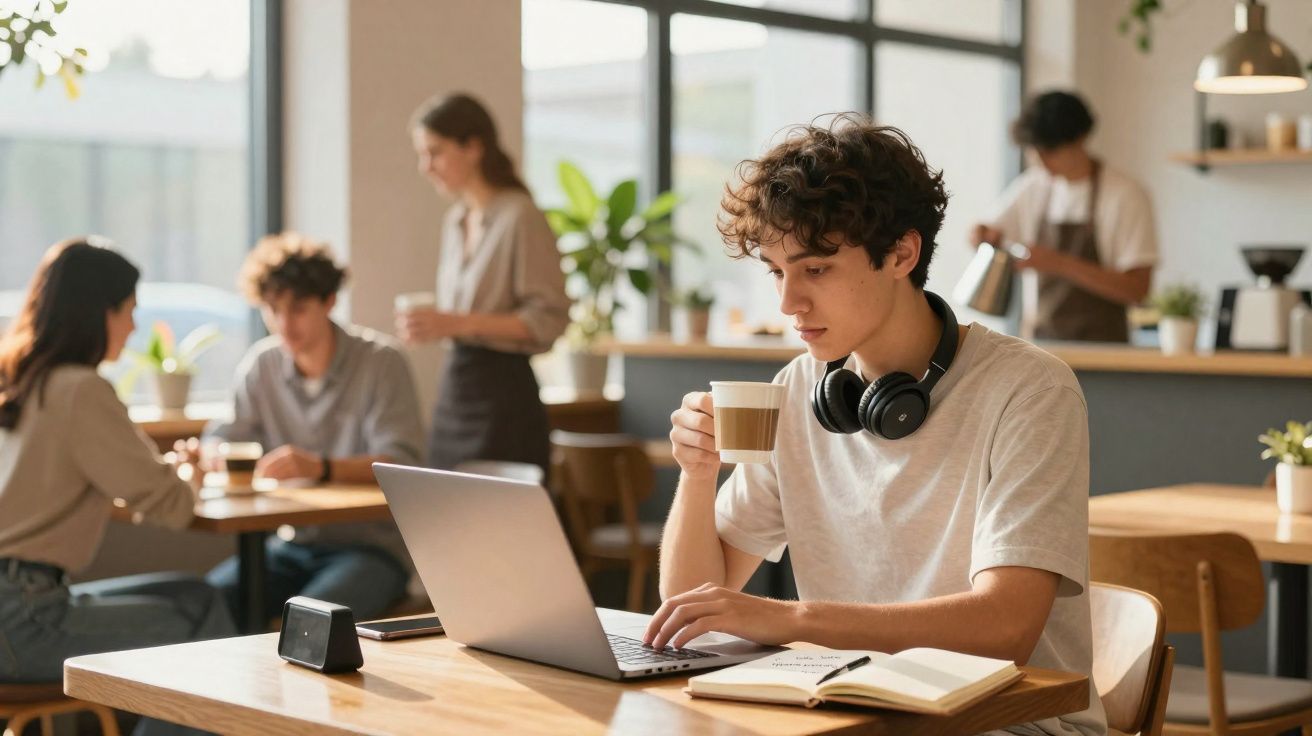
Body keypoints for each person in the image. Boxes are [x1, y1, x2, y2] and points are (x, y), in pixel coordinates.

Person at [645, 117, 1106, 735]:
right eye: (776, 272)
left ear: (901, 254)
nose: (788, 304)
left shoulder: (1030, 390)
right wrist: (699, 474)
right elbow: (690, 610)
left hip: (1006, 724)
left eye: (816, 270)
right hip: (851, 716)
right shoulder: (797, 389)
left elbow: (1006, 628)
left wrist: (793, 621)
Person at [0, 238, 234, 736]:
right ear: (98, 312)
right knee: (201, 622)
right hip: (21, 617)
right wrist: (190, 469)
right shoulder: (81, 389)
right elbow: (170, 505)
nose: (132, 326)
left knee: (201, 597)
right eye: (128, 310)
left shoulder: (19, 381)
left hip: (20, 603)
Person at [203, 233, 424, 623]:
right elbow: (222, 436)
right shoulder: (263, 365)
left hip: (371, 549)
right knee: (208, 604)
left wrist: (320, 467)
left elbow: (400, 464)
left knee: (310, 622)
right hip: (289, 544)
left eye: (298, 308)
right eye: (273, 309)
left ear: (329, 302)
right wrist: (211, 455)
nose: (284, 324)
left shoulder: (381, 362)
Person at [402, 92, 570, 474]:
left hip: (505, 396)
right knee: (442, 514)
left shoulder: (520, 216)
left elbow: (549, 320)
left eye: (435, 152)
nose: (426, 167)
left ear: (474, 147)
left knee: (500, 523)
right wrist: (439, 326)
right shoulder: (456, 220)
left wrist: (456, 323)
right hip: (456, 390)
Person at [972, 90, 1157, 343]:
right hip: (1039, 345)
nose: (1041, 160)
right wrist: (981, 235)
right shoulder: (1033, 186)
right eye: (1035, 150)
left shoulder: (1125, 195)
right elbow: (984, 231)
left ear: (1080, 139)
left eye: (1051, 150)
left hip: (1105, 353)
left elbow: (1137, 289)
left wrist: (1057, 263)